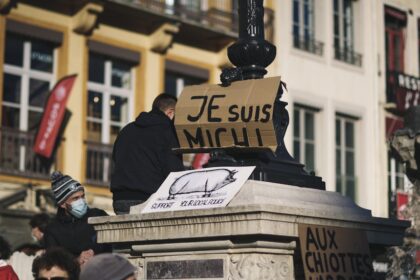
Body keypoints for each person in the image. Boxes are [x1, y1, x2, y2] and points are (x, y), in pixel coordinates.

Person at [111, 93, 184, 214]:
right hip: (149, 199)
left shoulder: (126, 130)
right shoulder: (168, 132)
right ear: (170, 112)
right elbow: (173, 171)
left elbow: (116, 159)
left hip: (120, 199)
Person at [43, 171, 111, 265]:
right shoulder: (52, 230)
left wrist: (93, 251)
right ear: (62, 204)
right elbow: (54, 262)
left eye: (82, 196)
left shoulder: (98, 215)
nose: (81, 201)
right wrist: (77, 260)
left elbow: (111, 241)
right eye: (75, 198)